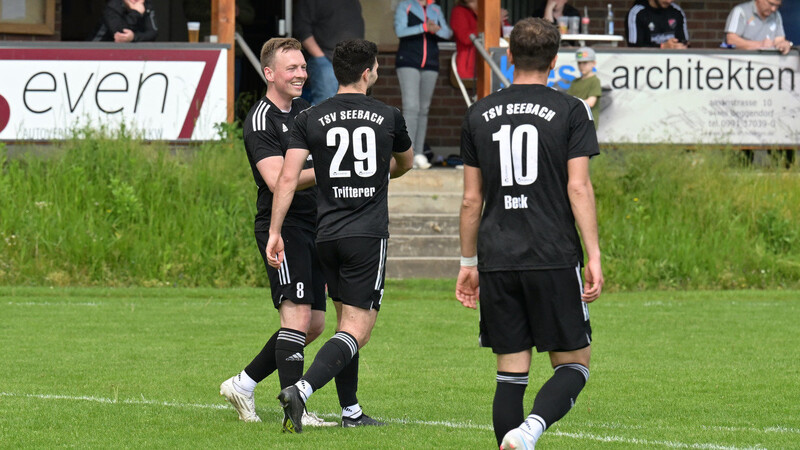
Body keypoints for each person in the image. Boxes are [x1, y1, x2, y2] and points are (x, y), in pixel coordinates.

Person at [455, 17, 604, 449]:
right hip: (553, 251)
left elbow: (470, 200)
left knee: (511, 371)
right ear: (555, 62)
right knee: (574, 364)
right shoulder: (572, 110)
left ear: (507, 57)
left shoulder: (478, 112)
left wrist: (468, 263)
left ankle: (515, 437)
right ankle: (531, 429)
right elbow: (579, 186)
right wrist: (593, 254)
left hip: (498, 254)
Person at [267, 38, 414, 434]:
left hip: (326, 235)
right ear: (368, 72)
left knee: (343, 325)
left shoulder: (309, 117)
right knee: (357, 330)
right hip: (366, 235)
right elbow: (405, 164)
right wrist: (377, 174)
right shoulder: (389, 116)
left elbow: (287, 177)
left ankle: (351, 411)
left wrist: (275, 231)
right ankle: (301, 388)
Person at [218, 37, 337, 429]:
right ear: (269, 73)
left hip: (314, 225)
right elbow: (275, 179)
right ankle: (295, 410)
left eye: (303, 67)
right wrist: (326, 171)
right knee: (296, 317)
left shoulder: (305, 112)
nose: (301, 74)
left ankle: (244, 382)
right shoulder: (260, 120)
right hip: (282, 228)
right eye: (292, 68)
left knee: (315, 324)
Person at [395, 0, 453, 170]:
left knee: (424, 109)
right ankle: (408, 154)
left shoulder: (435, 8)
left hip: (431, 63)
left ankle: (418, 153)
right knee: (411, 107)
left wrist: (436, 29)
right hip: (408, 62)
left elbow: (448, 33)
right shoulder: (405, 5)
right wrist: (424, 28)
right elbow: (400, 30)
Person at [293, 0, 365, 105]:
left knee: (351, 108)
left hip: (353, 62)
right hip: (327, 61)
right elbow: (302, 30)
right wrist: (320, 57)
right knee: (324, 108)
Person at [451, 0, 510, 82]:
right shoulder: (459, 11)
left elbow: (506, 36)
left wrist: (501, 23)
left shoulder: (490, 10)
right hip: (471, 68)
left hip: (496, 64)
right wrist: (493, 21)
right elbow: (466, 38)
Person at [724, 0, 793, 55]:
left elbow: (779, 40)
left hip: (768, 65)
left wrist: (783, 44)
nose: (773, 9)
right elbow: (731, 41)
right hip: (740, 63)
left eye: (777, 6)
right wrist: (760, 45)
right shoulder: (741, 11)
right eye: (771, 4)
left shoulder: (776, 15)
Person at [566, 47, 602, 130]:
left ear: (594, 63)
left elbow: (591, 102)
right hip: (573, 122)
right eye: (579, 63)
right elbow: (567, 101)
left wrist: (572, 104)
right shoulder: (575, 82)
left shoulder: (595, 81)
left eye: (585, 63)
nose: (581, 66)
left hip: (587, 123)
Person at [91, 0, 157, 42]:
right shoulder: (113, 6)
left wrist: (134, 37)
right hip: (97, 51)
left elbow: (152, 33)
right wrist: (136, 13)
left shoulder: (147, 5)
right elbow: (121, 34)